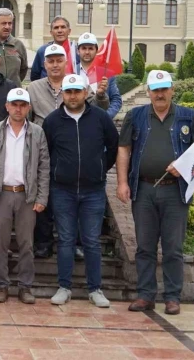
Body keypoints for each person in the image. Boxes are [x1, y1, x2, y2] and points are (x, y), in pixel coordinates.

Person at [117, 70, 194, 316]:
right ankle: (145, 295)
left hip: (175, 191)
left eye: (164, 89)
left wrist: (184, 165)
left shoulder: (188, 116)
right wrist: (122, 182)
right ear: (148, 92)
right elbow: (124, 149)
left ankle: (172, 297)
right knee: (144, 246)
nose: (160, 94)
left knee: (173, 247)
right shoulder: (135, 116)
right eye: (155, 90)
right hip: (144, 189)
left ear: (172, 90)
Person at [43, 74, 118, 308]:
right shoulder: (52, 121)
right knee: (65, 240)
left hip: (93, 190)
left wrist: (99, 168)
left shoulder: (101, 118)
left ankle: (95, 289)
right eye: (68, 92)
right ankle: (64, 287)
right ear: (62, 94)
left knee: (92, 241)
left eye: (77, 91)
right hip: (62, 190)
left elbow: (113, 146)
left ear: (86, 93)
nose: (73, 96)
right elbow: (47, 152)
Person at [28, 44, 110, 259]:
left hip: (71, 151)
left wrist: (101, 96)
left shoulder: (78, 83)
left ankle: (77, 243)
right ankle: (44, 242)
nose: (55, 65)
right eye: (51, 61)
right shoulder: (33, 88)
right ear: (44, 64)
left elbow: (96, 113)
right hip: (42, 150)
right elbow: (27, 118)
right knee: (42, 197)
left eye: (59, 60)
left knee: (73, 200)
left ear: (66, 62)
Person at [0, 88, 49, 304]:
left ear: (29, 108)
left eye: (23, 105)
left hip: (27, 196)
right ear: (7, 106)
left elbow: (44, 167)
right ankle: (1, 285)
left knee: (26, 243)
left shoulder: (37, 132)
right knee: (0, 243)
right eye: (14, 104)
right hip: (1, 194)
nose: (18, 109)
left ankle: (25, 287)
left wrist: (42, 198)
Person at [75, 32, 122, 119]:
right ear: (78, 51)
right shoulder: (71, 72)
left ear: (97, 51)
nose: (87, 52)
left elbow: (116, 100)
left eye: (91, 48)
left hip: (100, 122)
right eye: (84, 48)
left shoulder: (107, 74)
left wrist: (106, 117)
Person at [29, 16, 77, 82]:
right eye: (56, 28)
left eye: (63, 27)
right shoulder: (42, 51)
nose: (60, 31)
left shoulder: (76, 51)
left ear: (69, 31)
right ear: (51, 33)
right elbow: (34, 76)